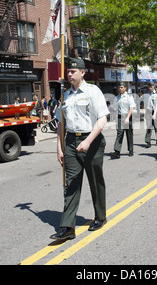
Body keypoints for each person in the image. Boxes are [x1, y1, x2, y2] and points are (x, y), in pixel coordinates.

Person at [50, 57, 110, 241]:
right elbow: (61, 123)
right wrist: (59, 148)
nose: (69, 74)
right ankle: (68, 227)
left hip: (91, 141)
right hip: (70, 142)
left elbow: (102, 119)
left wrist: (88, 141)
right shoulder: (65, 95)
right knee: (71, 185)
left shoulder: (93, 91)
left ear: (82, 73)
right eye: (68, 71)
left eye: (73, 71)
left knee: (95, 181)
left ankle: (100, 216)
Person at [110, 82, 136, 158]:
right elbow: (114, 108)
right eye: (119, 87)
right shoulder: (117, 97)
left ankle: (130, 150)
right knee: (119, 133)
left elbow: (131, 108)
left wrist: (128, 118)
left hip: (127, 116)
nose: (120, 89)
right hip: (120, 117)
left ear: (125, 88)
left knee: (129, 134)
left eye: (121, 87)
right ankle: (117, 151)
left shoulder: (129, 96)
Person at [144, 81, 157, 148]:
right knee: (149, 127)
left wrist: (155, 114)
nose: (150, 88)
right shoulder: (146, 95)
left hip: (155, 112)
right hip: (148, 112)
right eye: (149, 86)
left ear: (154, 86)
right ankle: (148, 142)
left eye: (151, 86)